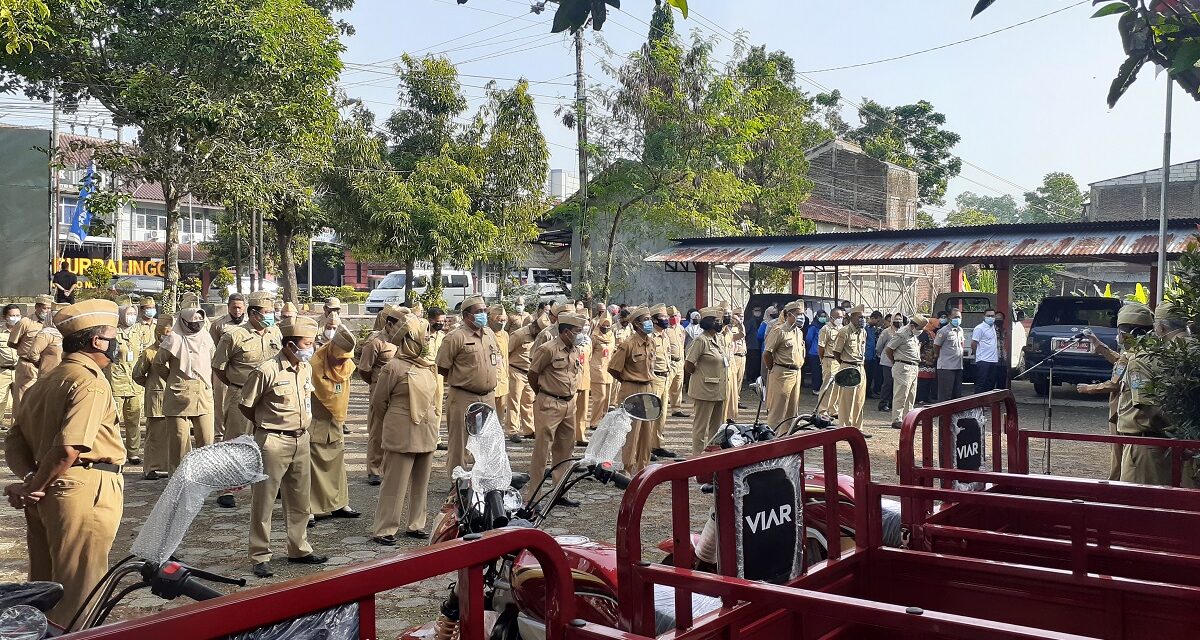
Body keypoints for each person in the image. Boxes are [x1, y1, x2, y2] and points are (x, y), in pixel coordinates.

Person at [3, 299, 124, 626]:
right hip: (85, 490)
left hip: (47, 492)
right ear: (98, 341)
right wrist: (35, 486)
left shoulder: (45, 381)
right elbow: (69, 447)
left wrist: (31, 481)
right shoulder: (89, 380)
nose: (118, 342)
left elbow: (13, 441)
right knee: (79, 594)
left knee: (46, 589)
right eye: (114, 335)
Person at [241, 315, 328, 578]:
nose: (310, 348)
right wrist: (266, 425)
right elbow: (246, 405)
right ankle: (259, 554)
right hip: (272, 440)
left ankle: (298, 548)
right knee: (264, 500)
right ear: (289, 345)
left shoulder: (305, 368)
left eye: (312, 343)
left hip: (301, 438)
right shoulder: (266, 370)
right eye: (306, 343)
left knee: (300, 498)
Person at [370, 315, 439, 545]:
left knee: (421, 482)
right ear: (411, 338)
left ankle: (416, 524)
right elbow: (379, 403)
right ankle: (385, 528)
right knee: (395, 483)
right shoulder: (393, 367)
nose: (427, 337)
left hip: (426, 430)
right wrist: (396, 421)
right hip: (402, 431)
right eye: (423, 333)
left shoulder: (427, 364)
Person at [211, 291, 281, 506]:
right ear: (253, 313)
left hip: (269, 395)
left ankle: (269, 484)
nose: (270, 316)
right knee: (235, 440)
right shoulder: (234, 335)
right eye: (266, 313)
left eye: (272, 312)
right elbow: (219, 367)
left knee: (270, 442)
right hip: (241, 394)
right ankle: (226, 489)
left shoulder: (275, 332)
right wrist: (237, 384)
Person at [1078, 303, 1153, 481]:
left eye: (1119, 331)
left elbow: (1114, 384)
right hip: (1138, 422)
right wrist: (1098, 344)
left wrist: (1088, 389)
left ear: (1128, 334)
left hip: (1124, 418)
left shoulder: (1133, 356)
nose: (1117, 335)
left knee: (1119, 460)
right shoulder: (1145, 352)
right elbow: (1121, 361)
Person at [1115, 302, 1187, 485]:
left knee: (1138, 505)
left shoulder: (1141, 361)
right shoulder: (1164, 355)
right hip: (1161, 443)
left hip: (1145, 447)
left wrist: (1181, 437)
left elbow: (1152, 409)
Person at [436, 296, 500, 477]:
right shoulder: (455, 337)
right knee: (460, 444)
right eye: (478, 312)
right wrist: (465, 380)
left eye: (484, 311)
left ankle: (484, 482)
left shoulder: (489, 334)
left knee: (487, 442)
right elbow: (442, 367)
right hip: (464, 396)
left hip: (488, 396)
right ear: (466, 315)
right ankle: (457, 486)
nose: (483, 315)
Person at [528, 313, 586, 504]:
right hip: (549, 403)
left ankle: (559, 493)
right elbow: (533, 374)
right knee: (542, 451)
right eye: (578, 331)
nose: (581, 334)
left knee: (565, 451)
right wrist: (543, 393)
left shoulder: (574, 349)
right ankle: (534, 496)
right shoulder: (548, 349)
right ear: (566, 332)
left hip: (569, 404)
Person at [155, 299, 216, 470]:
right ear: (183, 321)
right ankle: (178, 480)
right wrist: (173, 379)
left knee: (206, 441)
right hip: (178, 396)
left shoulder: (206, 336)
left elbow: (212, 360)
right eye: (192, 321)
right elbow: (158, 364)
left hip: (203, 394)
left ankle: (204, 479)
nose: (196, 325)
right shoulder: (173, 338)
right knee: (179, 442)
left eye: (199, 321)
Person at [308, 325, 360, 524]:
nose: (342, 362)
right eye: (339, 358)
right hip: (315, 421)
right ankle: (311, 509)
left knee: (337, 465)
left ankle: (339, 504)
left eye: (345, 358)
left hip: (336, 421)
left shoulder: (347, 365)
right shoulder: (314, 365)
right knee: (312, 467)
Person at [609, 306, 656, 475]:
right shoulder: (627, 344)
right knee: (631, 432)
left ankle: (644, 469)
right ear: (636, 323)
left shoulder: (651, 342)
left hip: (648, 388)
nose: (650, 322)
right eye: (646, 319)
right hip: (632, 388)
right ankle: (626, 469)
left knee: (647, 431)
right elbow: (613, 368)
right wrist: (628, 381)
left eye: (650, 318)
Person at [358, 306, 403, 484]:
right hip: (379, 390)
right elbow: (364, 369)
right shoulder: (376, 342)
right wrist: (376, 383)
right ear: (389, 324)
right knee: (377, 431)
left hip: (397, 390)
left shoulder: (400, 340)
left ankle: (389, 467)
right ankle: (374, 469)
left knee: (394, 429)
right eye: (398, 326)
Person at [109, 300, 152, 466]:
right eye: (128, 314)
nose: (131, 317)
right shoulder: (113, 333)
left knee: (133, 420)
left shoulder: (139, 332)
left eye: (133, 314)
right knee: (114, 420)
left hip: (134, 382)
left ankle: (133, 453)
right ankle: (115, 451)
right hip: (116, 381)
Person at [133, 314, 173, 479]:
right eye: (165, 333)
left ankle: (170, 466)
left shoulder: (176, 349)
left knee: (172, 436)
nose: (167, 336)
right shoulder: (149, 352)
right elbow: (137, 374)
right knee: (154, 436)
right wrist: (151, 386)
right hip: (156, 400)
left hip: (175, 399)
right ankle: (150, 468)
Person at [685, 306, 728, 454]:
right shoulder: (701, 340)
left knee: (716, 429)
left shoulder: (718, 339)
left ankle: (712, 458)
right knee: (701, 428)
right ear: (709, 322)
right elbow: (689, 364)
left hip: (719, 390)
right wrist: (701, 376)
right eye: (716, 320)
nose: (720, 323)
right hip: (704, 390)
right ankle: (697, 458)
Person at [209, 294, 249, 441]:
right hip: (222, 369)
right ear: (228, 307)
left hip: (243, 370)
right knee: (220, 403)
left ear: (245, 307)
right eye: (234, 307)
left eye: (239, 307)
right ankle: (219, 436)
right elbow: (213, 349)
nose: (237, 310)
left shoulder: (250, 323)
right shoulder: (219, 325)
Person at [762, 301, 806, 434]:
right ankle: (773, 439)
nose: (801, 317)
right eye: (798, 314)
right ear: (788, 315)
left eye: (802, 314)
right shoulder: (779, 331)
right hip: (782, 372)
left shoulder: (798, 332)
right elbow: (767, 353)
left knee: (792, 411)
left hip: (796, 373)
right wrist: (774, 369)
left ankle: (786, 438)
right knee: (778, 410)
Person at [8, 295, 52, 419]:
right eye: (45, 308)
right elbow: (12, 342)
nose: (47, 311)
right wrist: (27, 352)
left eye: (49, 308)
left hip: (45, 367)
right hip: (27, 366)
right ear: (37, 307)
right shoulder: (26, 322)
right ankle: (17, 433)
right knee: (22, 401)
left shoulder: (51, 324)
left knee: (41, 402)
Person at [831, 305, 868, 431]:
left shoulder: (863, 332)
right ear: (852, 317)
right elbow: (836, 352)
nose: (863, 320)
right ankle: (845, 428)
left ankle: (857, 428)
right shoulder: (844, 331)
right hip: (848, 366)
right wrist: (845, 364)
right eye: (860, 317)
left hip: (860, 367)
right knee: (846, 401)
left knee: (859, 400)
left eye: (864, 317)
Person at [648, 304, 677, 460]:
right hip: (654, 378)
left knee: (662, 415)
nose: (666, 319)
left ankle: (657, 445)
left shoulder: (665, 335)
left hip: (665, 377)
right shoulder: (651, 337)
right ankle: (646, 448)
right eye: (663, 317)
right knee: (651, 414)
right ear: (654, 320)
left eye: (667, 317)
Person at [886, 315, 925, 429]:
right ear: (913, 325)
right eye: (919, 328)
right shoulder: (902, 334)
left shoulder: (913, 335)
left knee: (911, 395)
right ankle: (897, 419)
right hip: (903, 366)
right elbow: (889, 349)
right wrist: (896, 361)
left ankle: (908, 418)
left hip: (913, 366)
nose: (920, 331)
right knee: (901, 394)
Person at [506, 312, 538, 441]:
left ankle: (529, 430)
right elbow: (506, 352)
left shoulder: (539, 336)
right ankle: (512, 430)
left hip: (529, 373)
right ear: (534, 326)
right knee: (514, 402)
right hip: (515, 371)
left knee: (529, 402)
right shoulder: (519, 335)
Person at [589, 312, 615, 430]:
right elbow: (589, 353)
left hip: (608, 370)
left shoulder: (612, 336)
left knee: (607, 399)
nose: (605, 327)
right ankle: (594, 421)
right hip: (597, 369)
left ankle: (603, 421)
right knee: (600, 397)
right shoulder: (594, 337)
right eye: (603, 325)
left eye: (608, 325)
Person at [488, 304, 511, 437]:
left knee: (500, 415)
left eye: (503, 320)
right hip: (489, 381)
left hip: (503, 380)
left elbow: (505, 357)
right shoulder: (485, 333)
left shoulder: (505, 335)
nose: (501, 323)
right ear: (491, 319)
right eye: (498, 320)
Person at [934, 309, 966, 401]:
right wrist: (937, 356)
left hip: (958, 366)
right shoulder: (943, 331)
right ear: (949, 318)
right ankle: (943, 415)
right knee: (945, 396)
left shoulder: (960, 330)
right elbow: (936, 346)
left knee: (956, 395)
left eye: (959, 317)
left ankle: (954, 415)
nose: (957, 319)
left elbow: (961, 344)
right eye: (955, 317)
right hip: (946, 367)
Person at [817, 308, 845, 414]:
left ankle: (833, 409)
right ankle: (822, 410)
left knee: (837, 386)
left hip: (839, 361)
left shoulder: (841, 328)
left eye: (841, 317)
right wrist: (823, 359)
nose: (840, 319)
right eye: (838, 317)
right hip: (829, 359)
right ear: (831, 317)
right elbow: (821, 347)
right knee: (827, 386)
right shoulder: (826, 329)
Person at [877, 313, 903, 413]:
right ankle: (883, 403)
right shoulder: (886, 332)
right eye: (896, 319)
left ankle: (893, 403)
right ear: (892, 320)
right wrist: (881, 355)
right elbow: (879, 346)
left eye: (900, 319)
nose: (899, 321)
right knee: (888, 383)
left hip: (898, 361)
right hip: (887, 361)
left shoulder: (903, 332)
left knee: (896, 384)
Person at [0, 305, 22, 426]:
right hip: (3, 371)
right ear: (5, 317)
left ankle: (19, 427)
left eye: (17, 315)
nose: (15, 318)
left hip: (20, 371)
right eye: (12, 316)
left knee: (21, 400)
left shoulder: (25, 331)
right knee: (0, 400)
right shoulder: (1, 333)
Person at [724, 308, 747, 420]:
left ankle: (731, 413)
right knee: (728, 388)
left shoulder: (734, 329)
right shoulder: (728, 329)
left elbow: (742, 334)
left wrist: (740, 324)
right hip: (731, 359)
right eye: (738, 315)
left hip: (738, 358)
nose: (740, 317)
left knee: (736, 385)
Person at [971, 308, 1001, 393]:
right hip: (983, 360)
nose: (991, 318)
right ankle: (978, 403)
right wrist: (976, 355)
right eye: (988, 316)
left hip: (993, 360)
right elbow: (973, 343)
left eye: (992, 316)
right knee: (981, 383)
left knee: (990, 384)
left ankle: (988, 404)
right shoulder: (979, 328)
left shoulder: (994, 327)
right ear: (984, 316)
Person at [666, 306, 687, 418]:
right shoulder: (665, 330)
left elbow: (682, 344)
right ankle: (662, 408)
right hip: (670, 362)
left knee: (678, 386)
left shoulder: (680, 328)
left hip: (680, 361)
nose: (673, 318)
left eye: (675, 316)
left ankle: (676, 409)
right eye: (671, 316)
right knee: (667, 386)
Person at [916, 315, 942, 405]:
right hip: (924, 362)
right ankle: (920, 398)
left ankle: (926, 397)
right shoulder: (924, 334)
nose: (935, 328)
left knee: (929, 381)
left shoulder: (932, 334)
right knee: (923, 381)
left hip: (931, 362)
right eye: (934, 326)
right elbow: (919, 346)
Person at [805, 309, 826, 394]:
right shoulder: (813, 327)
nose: (823, 318)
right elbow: (808, 339)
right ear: (817, 317)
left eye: (824, 316)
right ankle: (816, 388)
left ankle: (821, 387)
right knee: (816, 372)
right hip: (814, 353)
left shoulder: (825, 327)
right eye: (821, 316)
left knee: (822, 372)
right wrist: (812, 348)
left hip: (823, 353)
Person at [865, 311, 883, 399]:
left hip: (872, 356)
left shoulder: (873, 329)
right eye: (877, 321)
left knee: (870, 376)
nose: (878, 323)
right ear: (872, 318)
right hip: (866, 356)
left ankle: (868, 392)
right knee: (865, 376)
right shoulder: (864, 328)